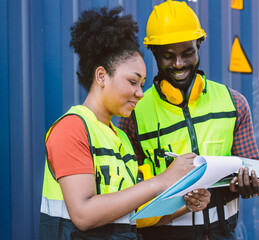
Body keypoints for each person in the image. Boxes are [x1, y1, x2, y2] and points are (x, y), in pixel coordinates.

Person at [38, 6, 210, 240]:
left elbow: (135, 217)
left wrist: (186, 205)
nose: (140, 93)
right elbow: (84, 215)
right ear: (101, 76)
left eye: (142, 84)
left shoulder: (122, 139)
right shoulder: (72, 129)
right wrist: (162, 180)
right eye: (132, 82)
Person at [118, 1, 259, 239]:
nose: (179, 64)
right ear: (154, 54)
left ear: (199, 45)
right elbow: (129, 193)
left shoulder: (234, 103)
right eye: (168, 56)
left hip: (223, 234)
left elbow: (252, 171)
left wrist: (254, 185)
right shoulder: (135, 113)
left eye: (188, 53)